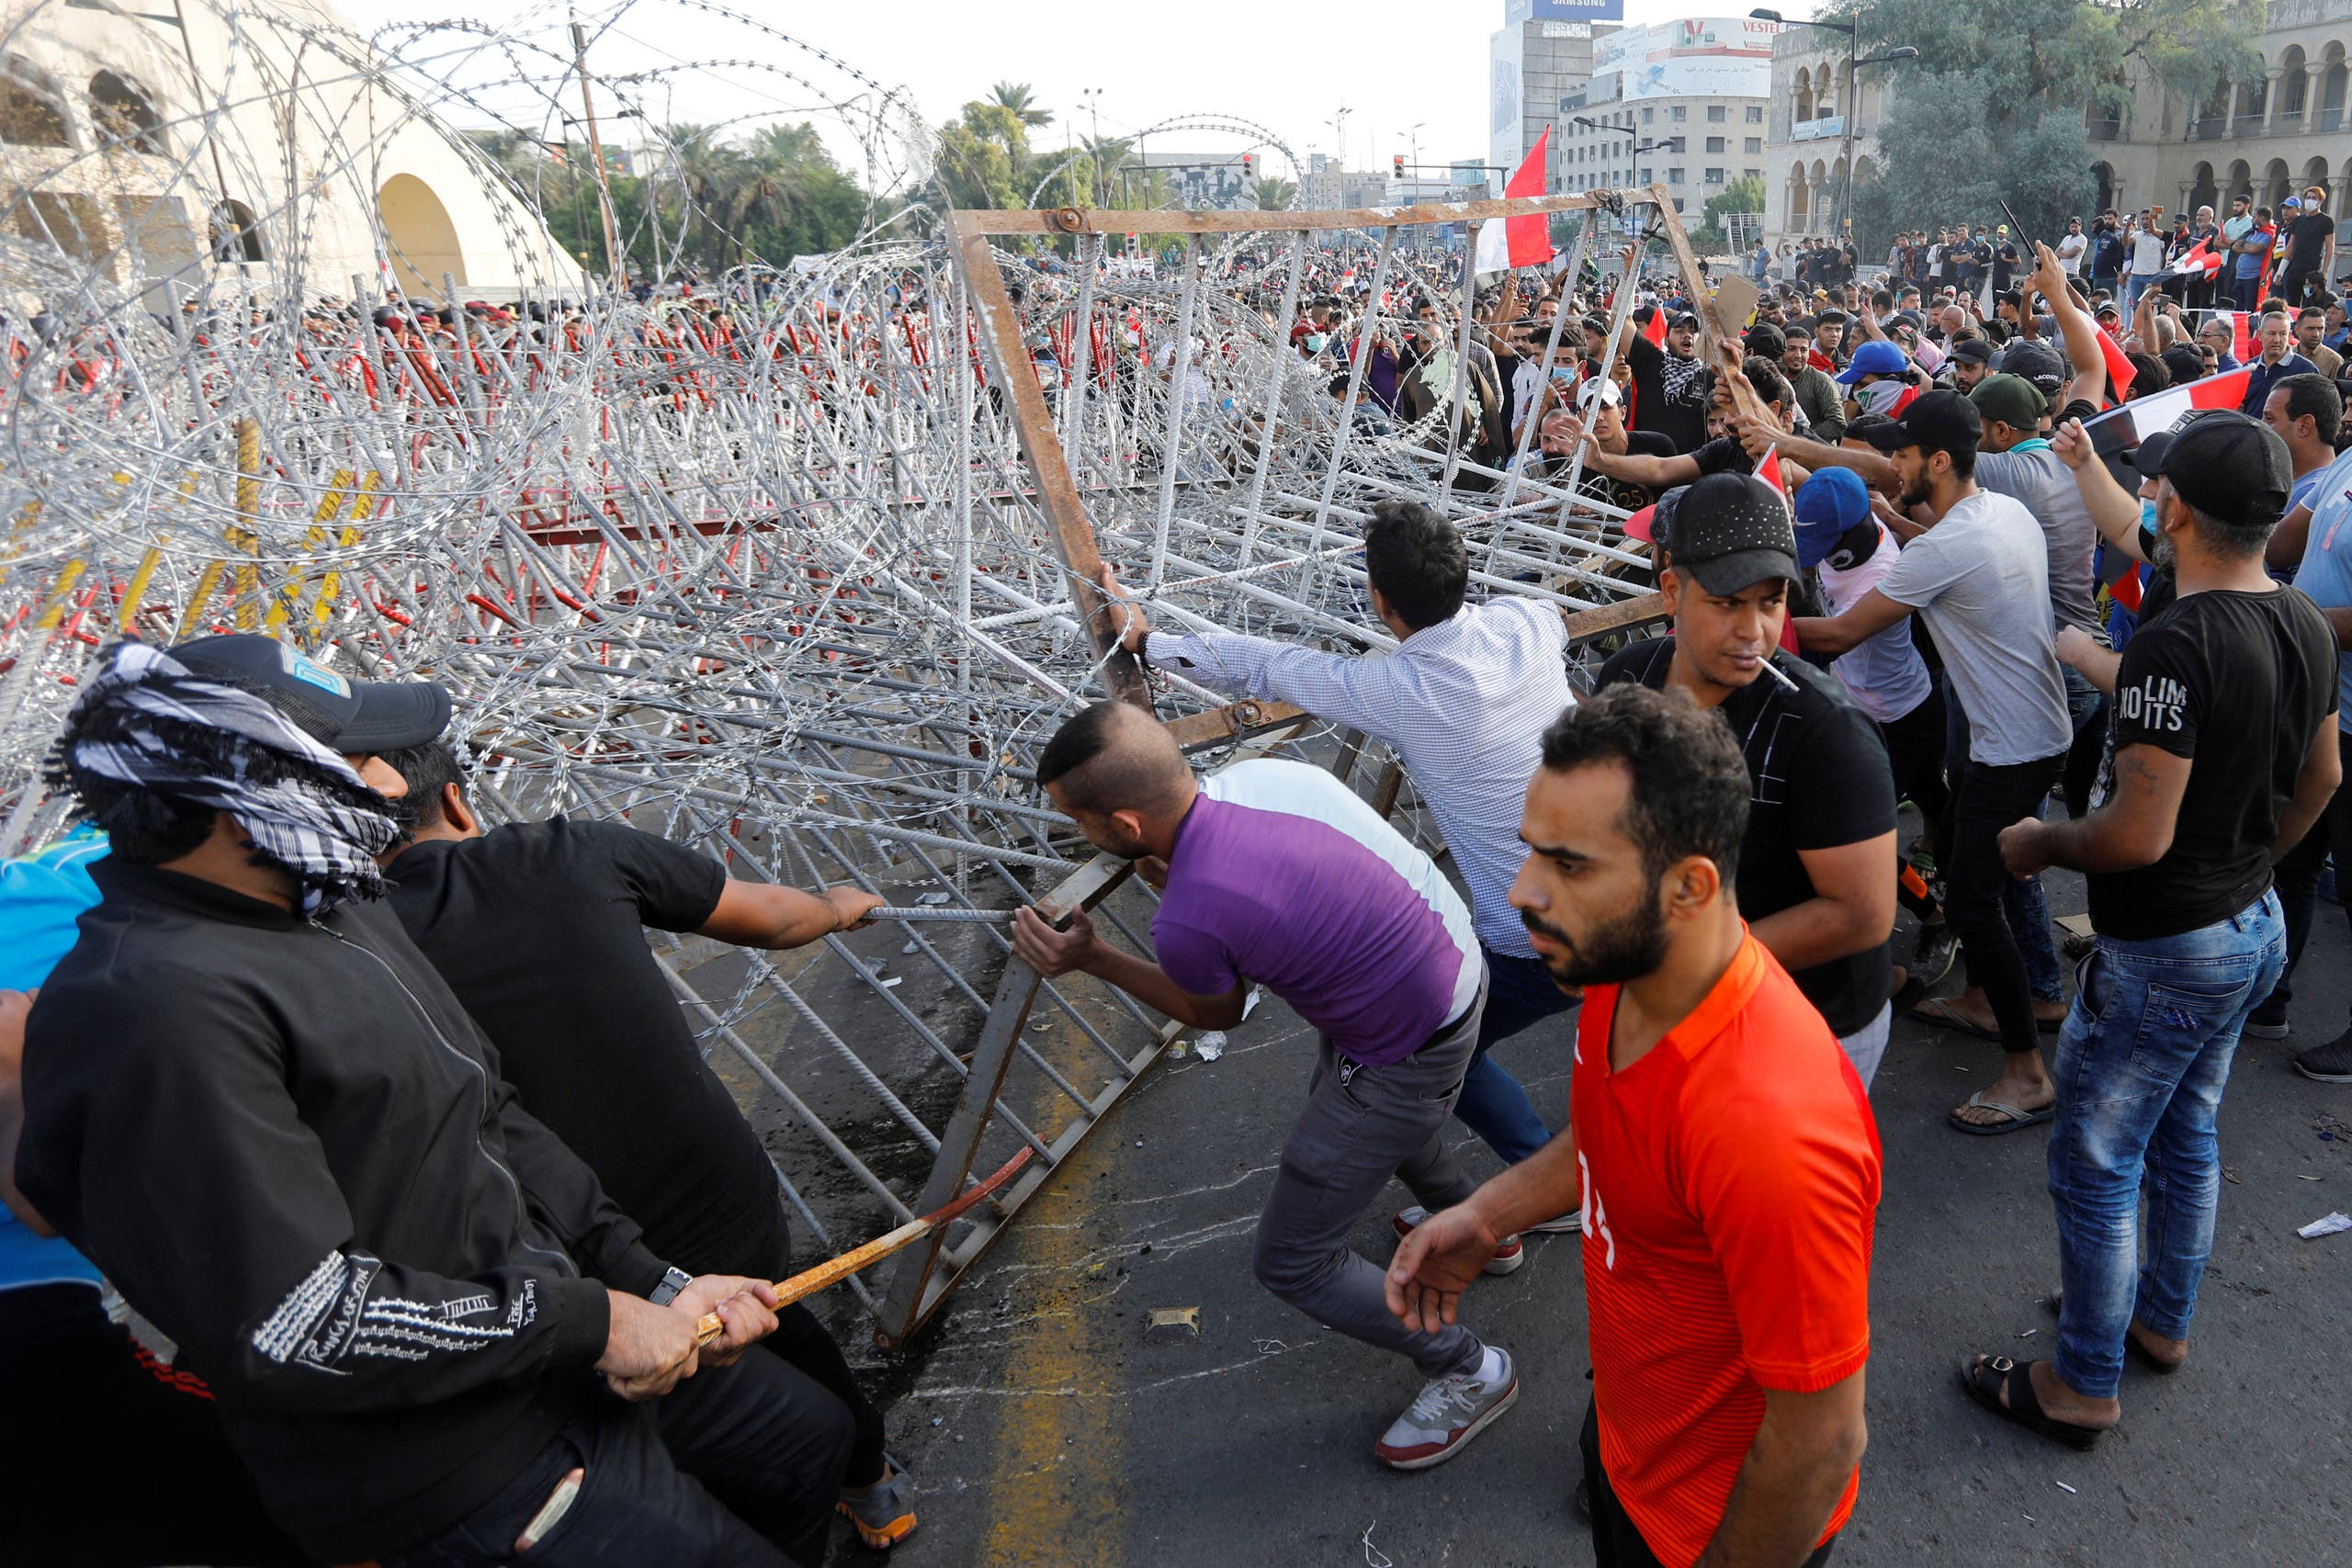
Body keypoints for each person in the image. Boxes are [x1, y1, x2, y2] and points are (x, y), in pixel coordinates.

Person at [13, 637, 840, 1566]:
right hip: (463, 1463)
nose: (382, 779)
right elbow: (303, 1322)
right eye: (347, 753)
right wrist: (594, 1323)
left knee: (805, 1443)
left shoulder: (334, 905)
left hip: (555, 1345)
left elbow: (491, 1110)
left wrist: (650, 1281)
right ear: (243, 805)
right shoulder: (154, 1009)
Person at [375, 746, 918, 1551]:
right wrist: (837, 904)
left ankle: (767, 1495)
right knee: (774, 1318)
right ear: (457, 802)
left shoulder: (359, 951)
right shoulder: (569, 850)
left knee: (683, 1392)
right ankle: (869, 1484)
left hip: (570, 1253)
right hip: (713, 1194)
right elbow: (773, 917)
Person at [1385, 683, 1879, 1568]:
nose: (1522, 891)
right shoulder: (1624, 964)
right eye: (1533, 850)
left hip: (1714, 1529)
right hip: (1627, 1448)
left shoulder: (1774, 1129)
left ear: (1688, 886)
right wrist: (1490, 1213)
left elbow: (1821, 1442)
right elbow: (1618, 1133)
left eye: (1569, 865)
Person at [1007, 703, 1518, 1471]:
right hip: (1453, 966)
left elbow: (1217, 1012)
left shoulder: (1189, 919)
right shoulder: (1265, 776)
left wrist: (1093, 958)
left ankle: (1469, 1368)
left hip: (1400, 1045)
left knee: (1292, 1259)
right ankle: (1480, 1224)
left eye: (1078, 820)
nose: (1080, 837)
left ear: (1124, 823)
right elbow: (1261, 880)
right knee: (1375, 1117)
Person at [1968, 412, 2336, 1448]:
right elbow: (2321, 780)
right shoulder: (2302, 619)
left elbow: (2133, 835)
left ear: (2170, 505)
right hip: (2243, 926)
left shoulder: (2176, 641)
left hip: (2169, 946)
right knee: (2185, 1134)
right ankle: (2157, 1323)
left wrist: (2041, 844)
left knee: (2095, 1161)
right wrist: (2252, 867)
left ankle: (2082, 1380)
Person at [1091, 502, 1581, 1200]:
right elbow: (1552, 616)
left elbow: (1273, 665)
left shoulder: (1399, 689)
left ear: (1380, 601)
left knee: (1442, 1053)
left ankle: (1548, 1186)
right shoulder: (1523, 624)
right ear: (1463, 575)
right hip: (1617, 899)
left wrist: (1147, 640)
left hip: (1532, 943)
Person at [1792, 392, 2076, 1134]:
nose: (1893, 468)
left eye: (1904, 457)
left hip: (2010, 746)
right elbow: (1939, 545)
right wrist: (1894, 521)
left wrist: (1739, 613)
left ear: (1938, 461)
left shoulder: (1946, 548)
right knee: (1957, 854)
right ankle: (2007, 994)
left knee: (1976, 900)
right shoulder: (1995, 515)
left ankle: (2027, 1072)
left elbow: (1840, 632)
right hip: (2030, 735)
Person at [1597, 472, 1899, 1085]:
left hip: (1810, 1022)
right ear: (1671, 590)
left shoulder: (1825, 732)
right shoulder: (1626, 683)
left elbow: (1863, 912)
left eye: (1771, 601)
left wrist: (1695, 961)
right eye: (1728, 601)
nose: (1753, 629)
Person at [2240, 310, 2318, 416]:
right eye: (2272, 333)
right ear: (2260, 335)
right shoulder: (2248, 369)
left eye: (2282, 334)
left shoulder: (2305, 370)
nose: (2277, 340)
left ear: (2289, 335)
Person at [2274, 189, 2337, 307]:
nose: (2310, 200)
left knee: (2310, 304)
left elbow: (2330, 247)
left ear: (2320, 201)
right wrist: (2280, 271)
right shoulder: (2299, 220)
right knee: (2292, 305)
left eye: (2314, 198)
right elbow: (2290, 246)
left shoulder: (2326, 221)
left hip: (2313, 271)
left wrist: (2324, 271)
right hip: (2295, 270)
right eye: (2308, 197)